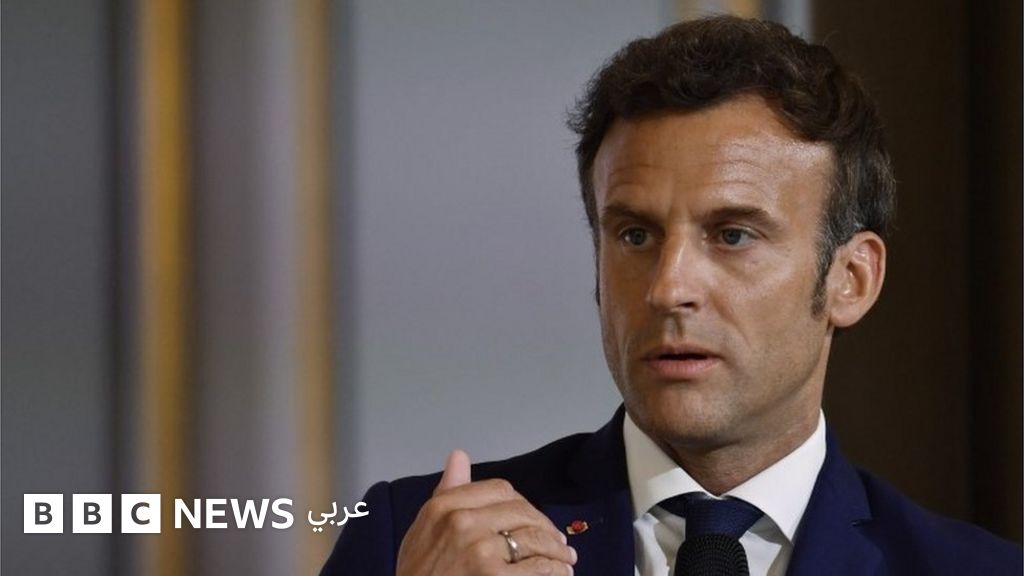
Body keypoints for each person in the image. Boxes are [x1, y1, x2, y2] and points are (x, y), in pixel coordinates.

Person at [321, 15, 1023, 576]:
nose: (668, 287)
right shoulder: (410, 540)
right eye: (635, 235)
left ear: (851, 279)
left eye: (733, 235)